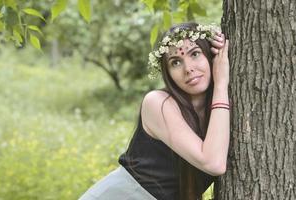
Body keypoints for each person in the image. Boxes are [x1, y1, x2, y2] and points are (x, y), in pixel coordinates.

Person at [79, 22, 230, 200]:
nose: (188, 69)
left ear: (211, 55)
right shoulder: (157, 103)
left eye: (195, 54)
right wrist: (221, 84)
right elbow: (214, 163)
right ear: (168, 73)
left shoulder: (219, 114)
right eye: (176, 62)